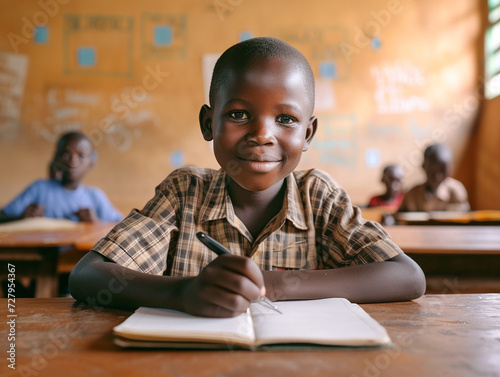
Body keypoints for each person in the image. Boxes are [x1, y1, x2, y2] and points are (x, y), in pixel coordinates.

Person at [69, 37, 425, 318]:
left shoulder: (319, 196)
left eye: (285, 119)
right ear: (209, 124)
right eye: (239, 114)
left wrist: (269, 283)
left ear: (309, 133)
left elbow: (407, 277)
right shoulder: (184, 193)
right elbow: (88, 276)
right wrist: (183, 292)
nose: (262, 135)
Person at [0, 131, 124, 223]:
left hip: (78, 257)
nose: (72, 162)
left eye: (81, 155)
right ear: (56, 158)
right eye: (65, 154)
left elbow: (122, 228)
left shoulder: (94, 196)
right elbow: (2, 216)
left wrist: (96, 222)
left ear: (91, 163)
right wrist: (22, 217)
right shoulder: (39, 189)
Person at [398, 143, 470, 212]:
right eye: (431, 171)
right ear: (423, 166)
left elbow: (463, 218)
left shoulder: (456, 192)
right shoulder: (412, 194)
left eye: (443, 170)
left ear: (451, 168)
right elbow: (400, 218)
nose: (437, 176)